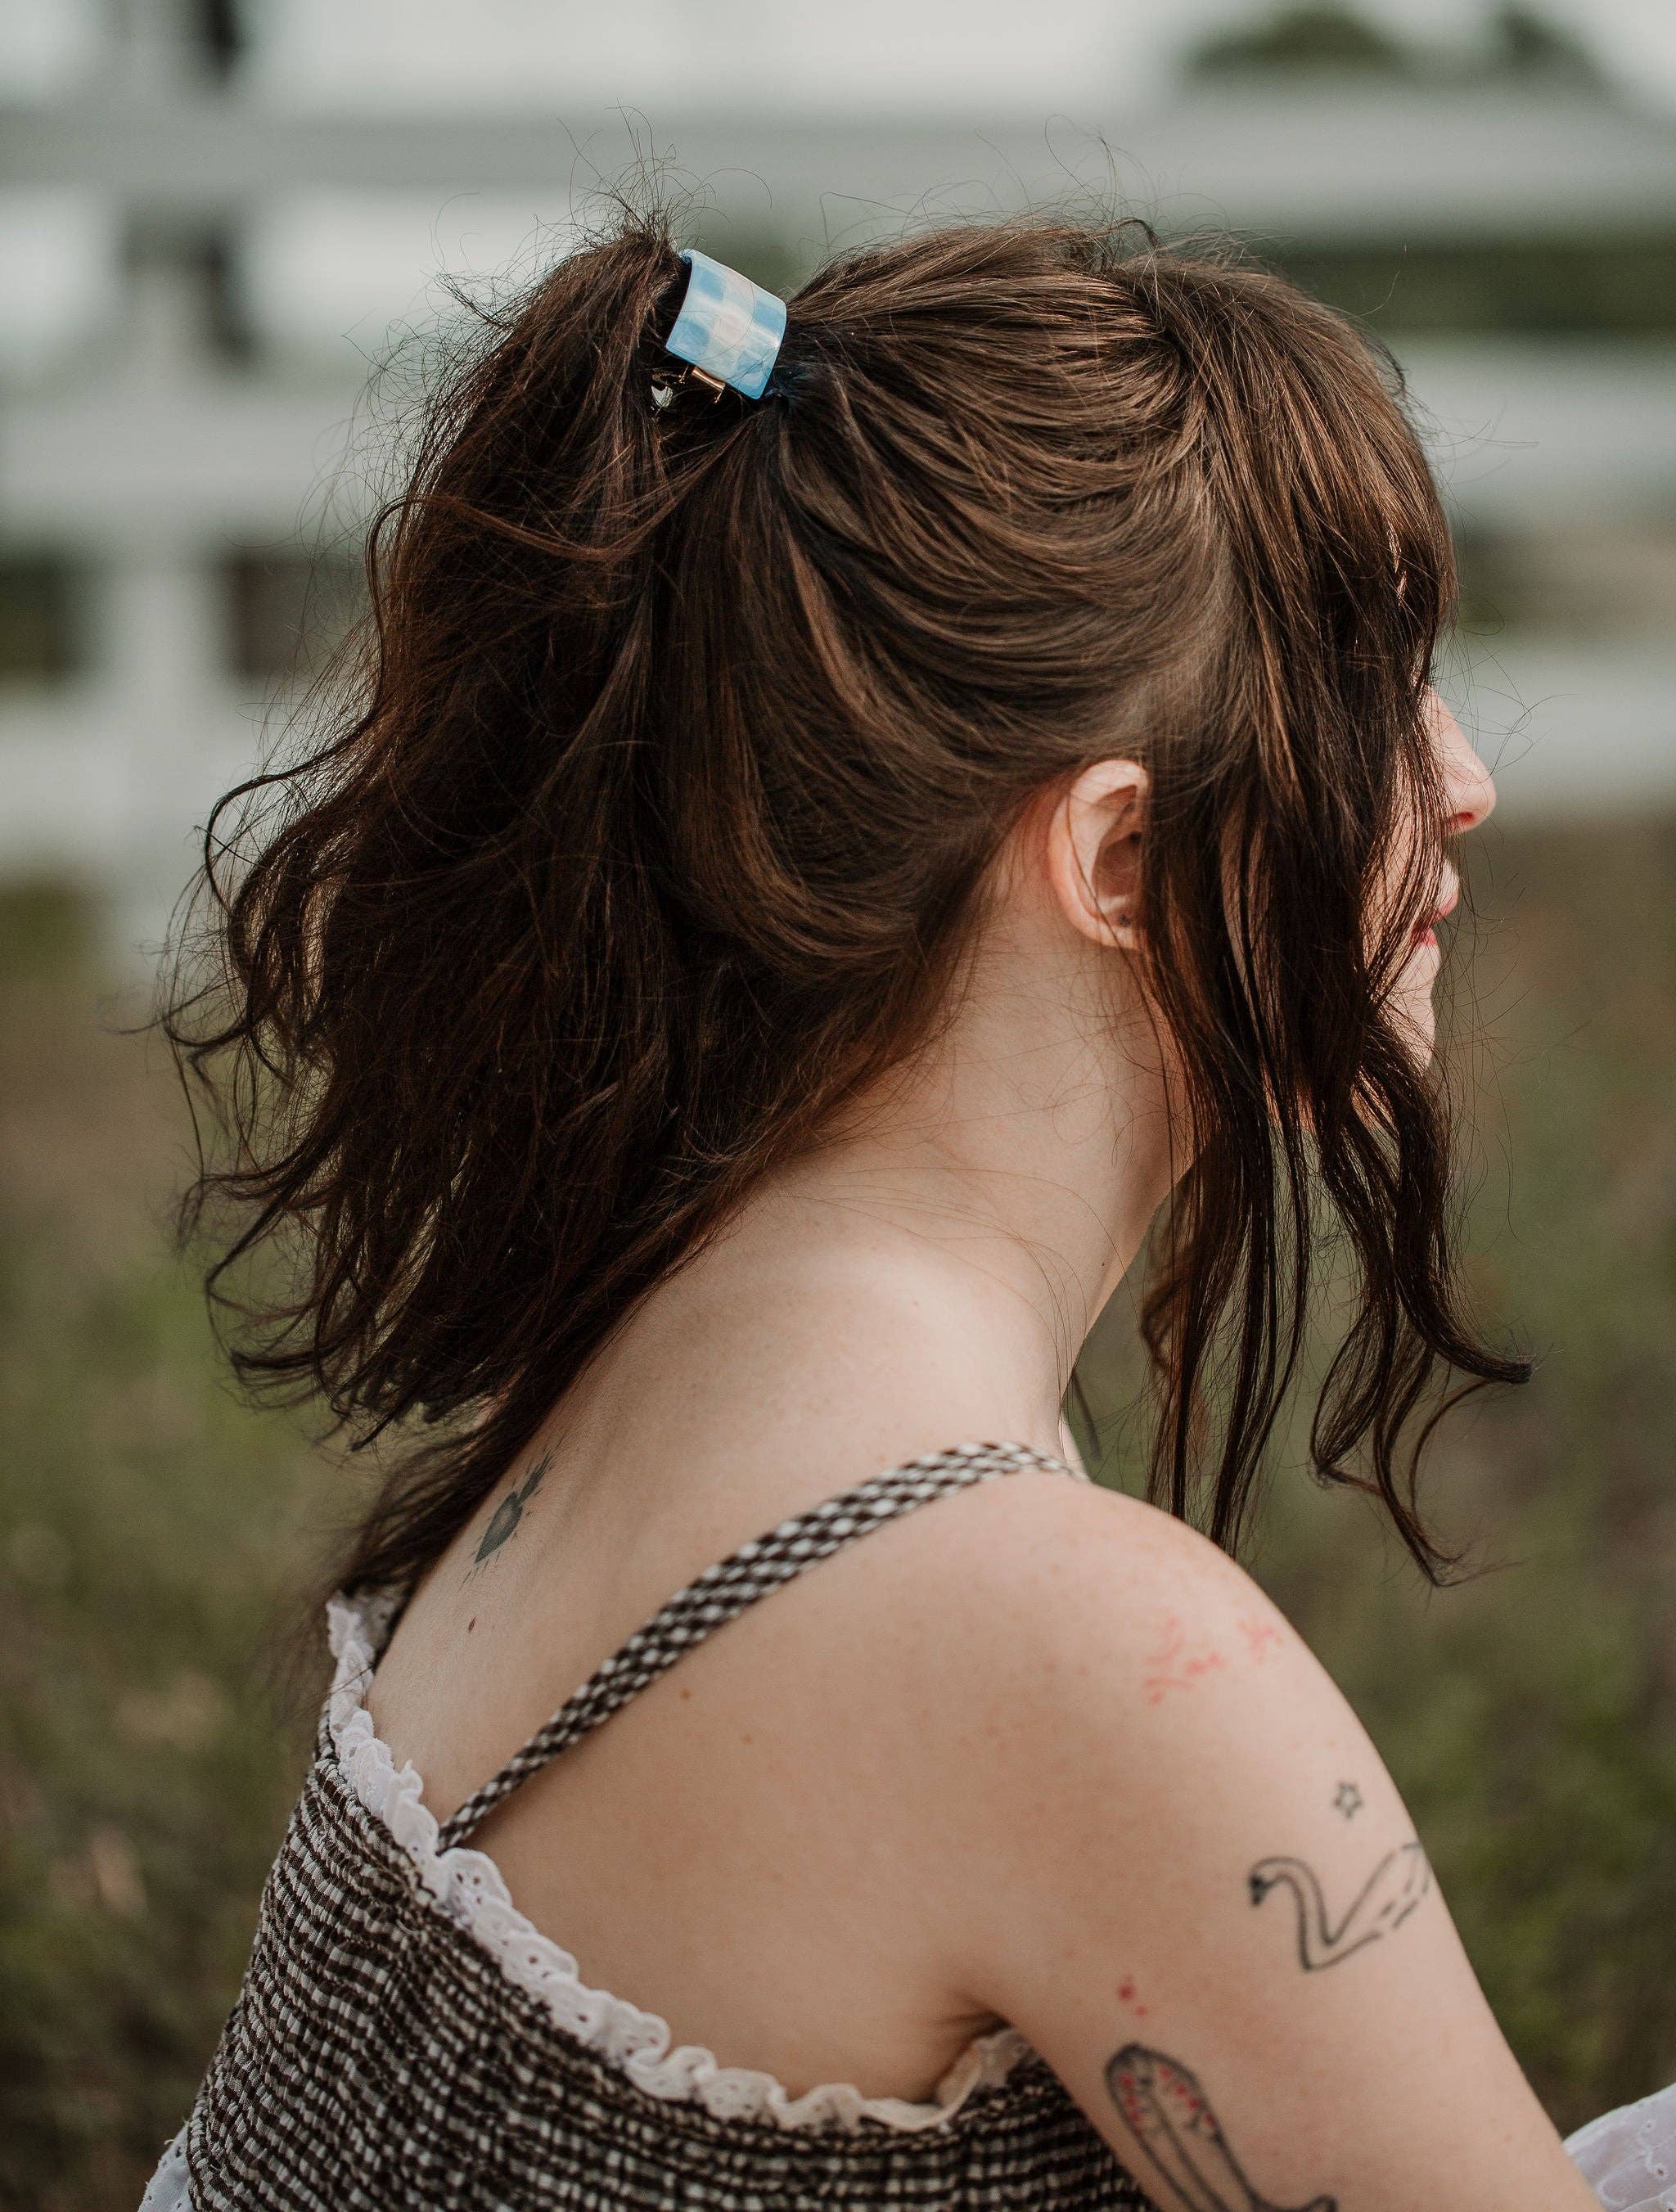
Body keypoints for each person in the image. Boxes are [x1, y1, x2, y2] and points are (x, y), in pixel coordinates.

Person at [143, 219, 1672, 2210]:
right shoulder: (1080, 1653)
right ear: (1122, 857)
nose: (1458, 780)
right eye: (1371, 686)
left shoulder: (654, 1343)